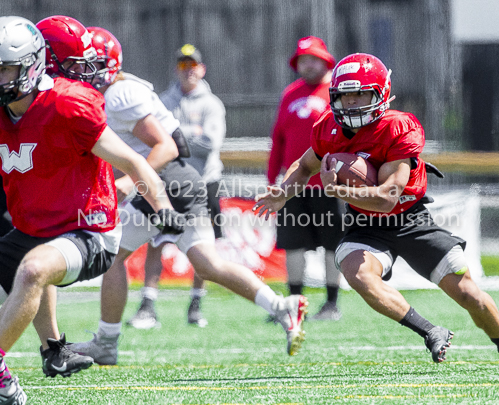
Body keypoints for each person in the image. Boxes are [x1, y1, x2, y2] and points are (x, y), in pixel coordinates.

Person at [0, 15, 184, 405]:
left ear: (33, 64)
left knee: (35, 269)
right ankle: (4, 387)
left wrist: (162, 206)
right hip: (32, 231)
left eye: (4, 68)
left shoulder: (68, 103)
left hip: (89, 230)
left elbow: (133, 161)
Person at [254, 53, 499, 369]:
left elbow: (387, 196)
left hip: (410, 220)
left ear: (381, 92)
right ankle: (430, 331)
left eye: (360, 93)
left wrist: (338, 190)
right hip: (365, 224)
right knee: (357, 273)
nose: (351, 103)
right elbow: (304, 165)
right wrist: (284, 191)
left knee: (468, 294)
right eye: (345, 95)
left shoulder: (399, 127)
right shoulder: (328, 128)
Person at [67, 27, 308, 366]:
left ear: (105, 64)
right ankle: (281, 306)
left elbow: (167, 146)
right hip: (183, 183)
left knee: (112, 256)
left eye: (85, 64)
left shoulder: (119, 94)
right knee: (209, 265)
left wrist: (130, 182)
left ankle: (107, 342)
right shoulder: (128, 90)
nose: (78, 72)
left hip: (166, 183)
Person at [0, 95, 93, 378]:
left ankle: (40, 357)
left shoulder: (3, 87)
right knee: (35, 247)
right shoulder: (22, 88)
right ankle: (53, 350)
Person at [127, 43, 227, 328]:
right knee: (157, 242)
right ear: (176, 69)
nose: (188, 71)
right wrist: (183, 137)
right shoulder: (163, 101)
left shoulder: (211, 104)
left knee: (204, 246)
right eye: (183, 66)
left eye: (192, 65)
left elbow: (210, 144)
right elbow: (151, 141)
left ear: (202, 69)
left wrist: (172, 138)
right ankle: (147, 305)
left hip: (204, 183)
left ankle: (196, 304)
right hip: (167, 183)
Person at [266, 36, 344, 320]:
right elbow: (278, 140)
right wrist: (273, 180)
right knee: (293, 244)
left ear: (325, 60)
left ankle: (331, 303)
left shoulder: (337, 93)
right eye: (302, 60)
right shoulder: (290, 93)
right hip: (292, 184)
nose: (306, 64)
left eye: (312, 58)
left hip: (329, 185)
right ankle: (295, 304)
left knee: (332, 243)